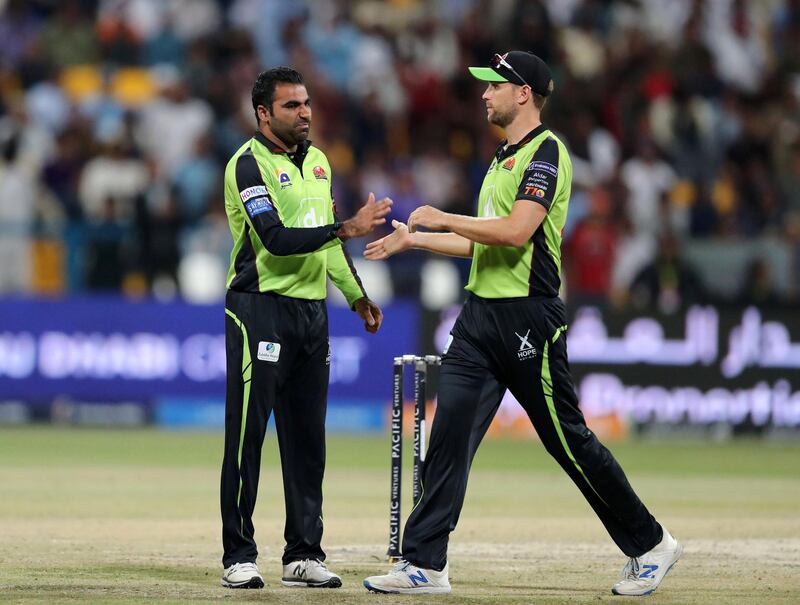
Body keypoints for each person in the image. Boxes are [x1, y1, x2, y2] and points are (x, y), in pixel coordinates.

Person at [362, 51, 682, 596]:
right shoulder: (501, 160)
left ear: (524, 93)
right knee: (449, 436)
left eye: (495, 86)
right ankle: (425, 564)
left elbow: (514, 233)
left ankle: (651, 545)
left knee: (568, 441)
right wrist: (416, 239)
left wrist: (439, 215)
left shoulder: (547, 153)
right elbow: (479, 244)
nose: (485, 95)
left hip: (529, 319)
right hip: (479, 319)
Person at [220, 67, 391, 590]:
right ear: (263, 114)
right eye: (292, 106)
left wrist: (355, 293)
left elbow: (326, 246)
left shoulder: (318, 163)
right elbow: (273, 239)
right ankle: (239, 555)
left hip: (311, 316)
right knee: (248, 436)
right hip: (259, 309)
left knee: (307, 440)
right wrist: (346, 227)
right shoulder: (247, 165)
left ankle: (302, 553)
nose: (305, 113)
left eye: (307, 103)